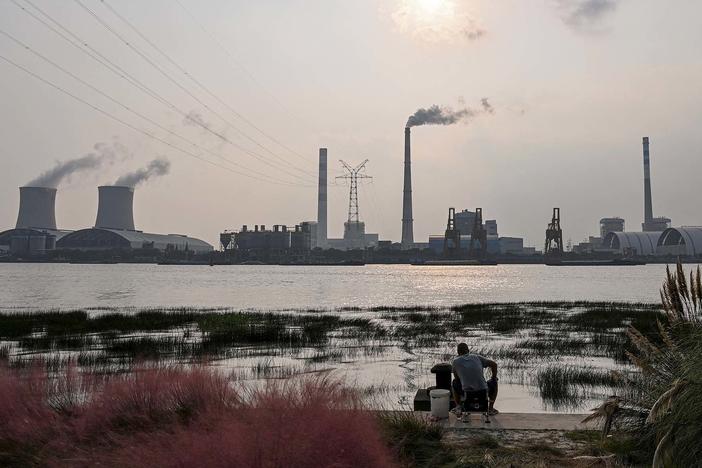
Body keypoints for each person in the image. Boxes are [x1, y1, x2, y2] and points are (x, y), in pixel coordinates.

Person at [451, 342, 499, 416]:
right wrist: (493, 377)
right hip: (483, 391)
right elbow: (494, 364)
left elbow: (457, 378)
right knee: (494, 382)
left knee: (454, 382)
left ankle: (458, 406)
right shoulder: (476, 357)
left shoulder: (455, 361)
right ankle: (490, 408)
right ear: (468, 350)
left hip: (467, 392)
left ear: (458, 352)